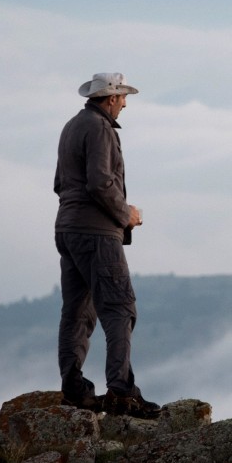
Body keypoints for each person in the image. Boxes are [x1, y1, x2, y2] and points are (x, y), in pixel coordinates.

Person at [53, 72, 161, 418]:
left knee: (78, 312)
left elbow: (60, 183)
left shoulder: (72, 126)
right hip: (97, 235)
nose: (125, 104)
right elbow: (100, 183)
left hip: (68, 230)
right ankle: (121, 392)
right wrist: (126, 214)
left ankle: (74, 389)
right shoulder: (100, 128)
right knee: (120, 308)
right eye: (123, 97)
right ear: (111, 98)